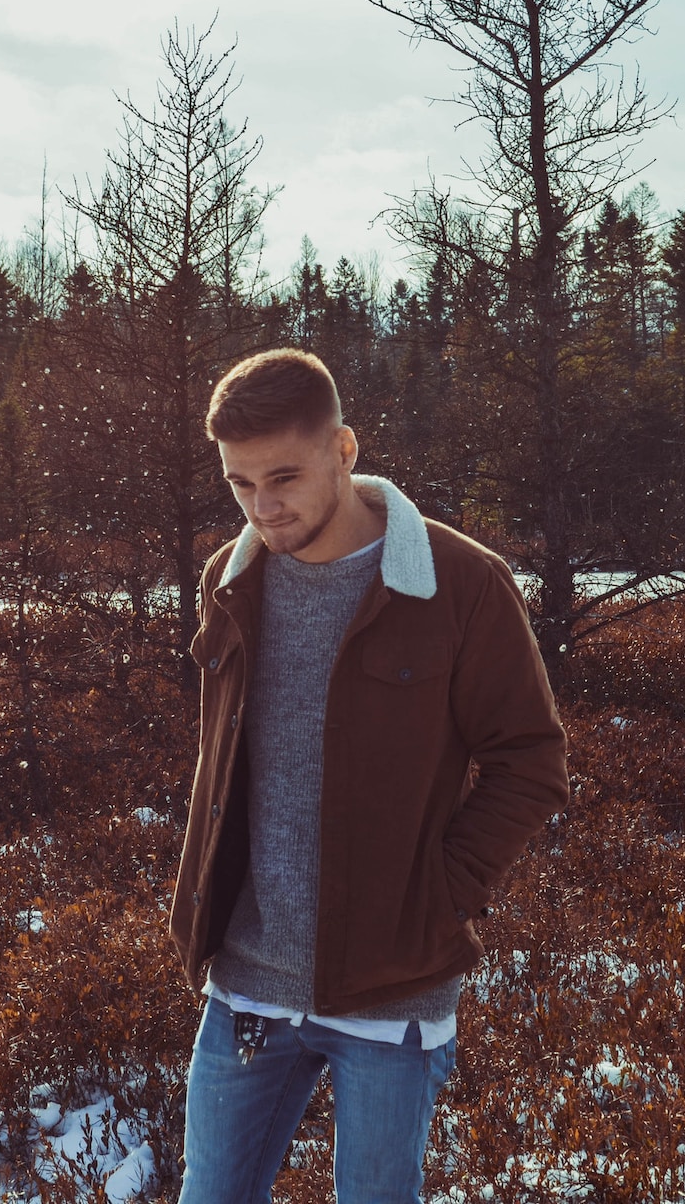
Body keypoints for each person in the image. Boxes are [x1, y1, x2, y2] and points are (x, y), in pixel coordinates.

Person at [169, 348, 569, 1202]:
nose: (264, 507)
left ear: (344, 450)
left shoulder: (459, 584)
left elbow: (532, 762)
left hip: (393, 993)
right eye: (241, 484)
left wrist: (441, 895)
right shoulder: (231, 582)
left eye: (284, 477)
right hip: (246, 986)